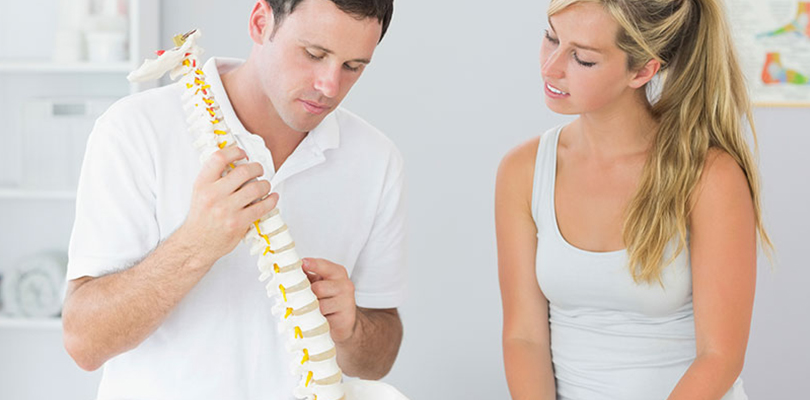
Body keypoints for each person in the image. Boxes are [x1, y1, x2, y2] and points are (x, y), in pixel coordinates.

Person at [62, 0, 405, 398]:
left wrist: (352, 330)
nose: (329, 86)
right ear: (261, 22)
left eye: (353, 66)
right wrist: (195, 245)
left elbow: (379, 358)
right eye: (314, 54)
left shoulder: (378, 160)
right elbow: (84, 343)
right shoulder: (135, 130)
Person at [496, 0, 772, 399]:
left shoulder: (709, 176)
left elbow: (720, 356)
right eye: (551, 38)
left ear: (643, 70)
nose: (550, 67)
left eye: (583, 59)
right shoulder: (521, 171)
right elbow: (524, 337)